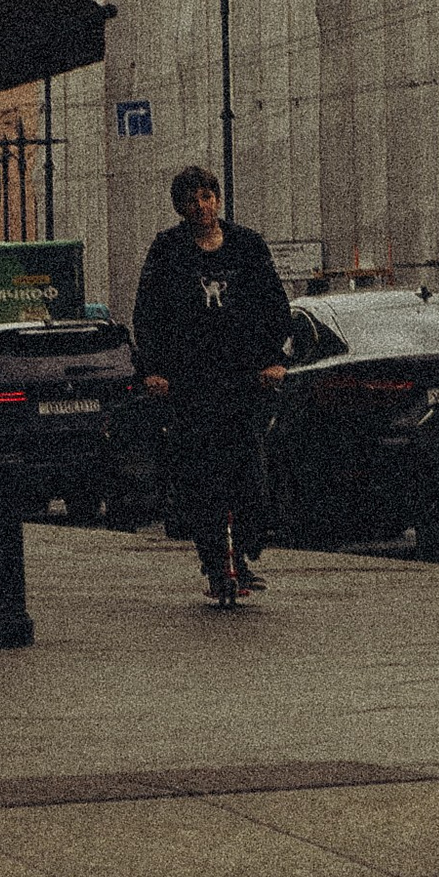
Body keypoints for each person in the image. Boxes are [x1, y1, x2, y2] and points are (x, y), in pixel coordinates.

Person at [132, 166, 292, 600]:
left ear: (218, 200)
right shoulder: (168, 251)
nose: (200, 206)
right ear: (179, 207)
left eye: (207, 196)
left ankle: (244, 550)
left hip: (242, 381)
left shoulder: (247, 246)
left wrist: (273, 360)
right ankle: (217, 566)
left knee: (249, 475)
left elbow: (275, 307)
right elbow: (148, 314)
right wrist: (153, 370)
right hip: (191, 384)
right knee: (204, 477)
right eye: (191, 200)